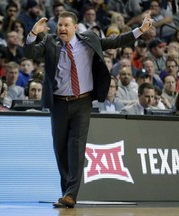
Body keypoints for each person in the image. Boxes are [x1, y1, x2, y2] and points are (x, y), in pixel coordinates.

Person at [23, 10, 153, 208]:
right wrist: (33, 33)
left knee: (76, 148)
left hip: (82, 103)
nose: (62, 29)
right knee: (60, 150)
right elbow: (29, 53)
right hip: (58, 103)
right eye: (60, 25)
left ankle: (71, 195)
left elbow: (115, 41)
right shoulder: (50, 42)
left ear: (76, 27)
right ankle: (66, 191)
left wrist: (140, 31)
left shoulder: (89, 39)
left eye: (66, 25)